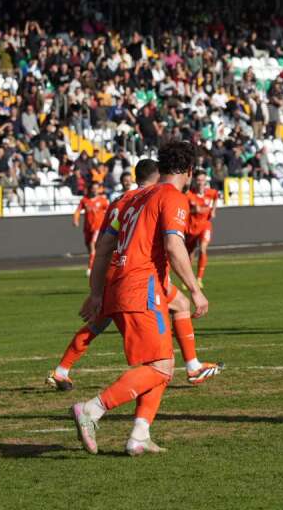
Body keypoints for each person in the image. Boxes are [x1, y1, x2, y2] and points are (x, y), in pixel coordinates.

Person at [70, 142, 211, 456]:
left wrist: (96, 293)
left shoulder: (131, 198)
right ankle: (92, 410)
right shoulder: (172, 197)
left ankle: (139, 434)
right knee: (161, 367)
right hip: (143, 288)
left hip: (118, 287)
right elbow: (174, 247)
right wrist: (195, 289)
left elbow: (104, 248)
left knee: (159, 362)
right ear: (189, 172)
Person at [47, 160, 221, 393]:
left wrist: (96, 288)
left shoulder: (120, 200)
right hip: (137, 272)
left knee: (100, 322)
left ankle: (61, 370)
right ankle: (188, 368)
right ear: (158, 175)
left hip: (115, 270)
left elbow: (105, 244)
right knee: (175, 310)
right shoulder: (152, 197)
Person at [185, 173, 220, 284]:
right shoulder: (189, 195)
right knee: (189, 253)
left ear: (206, 181)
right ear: (195, 181)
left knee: (202, 249)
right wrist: (194, 211)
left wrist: (214, 210)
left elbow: (216, 196)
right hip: (192, 227)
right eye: (199, 180)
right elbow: (184, 210)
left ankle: (199, 278)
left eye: (203, 180)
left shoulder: (211, 192)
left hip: (205, 225)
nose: (201, 183)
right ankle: (189, 279)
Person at [73, 183, 110, 277]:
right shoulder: (84, 200)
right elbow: (78, 211)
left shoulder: (103, 200)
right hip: (87, 229)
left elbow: (110, 212)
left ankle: (90, 268)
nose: (94, 190)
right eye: (93, 188)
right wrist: (75, 220)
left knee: (92, 245)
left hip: (98, 228)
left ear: (99, 189)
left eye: (96, 188)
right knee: (90, 249)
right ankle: (98, 266)